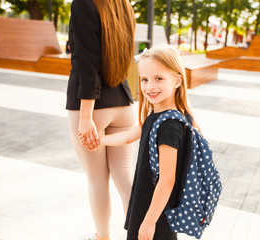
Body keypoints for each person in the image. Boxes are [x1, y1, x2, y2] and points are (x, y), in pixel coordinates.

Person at [79, 44, 198, 240]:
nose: (150, 86)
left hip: (155, 214)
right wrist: (99, 140)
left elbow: (167, 180)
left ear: (177, 80)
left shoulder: (170, 125)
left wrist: (149, 222)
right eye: (144, 79)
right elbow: (128, 135)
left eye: (159, 78)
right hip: (146, 205)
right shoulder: (156, 115)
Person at [66, 0, 136, 239]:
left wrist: (85, 117)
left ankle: (102, 237)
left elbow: (87, 62)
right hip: (123, 103)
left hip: (92, 109)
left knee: (98, 181)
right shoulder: (122, 4)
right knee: (126, 180)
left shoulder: (83, 3)